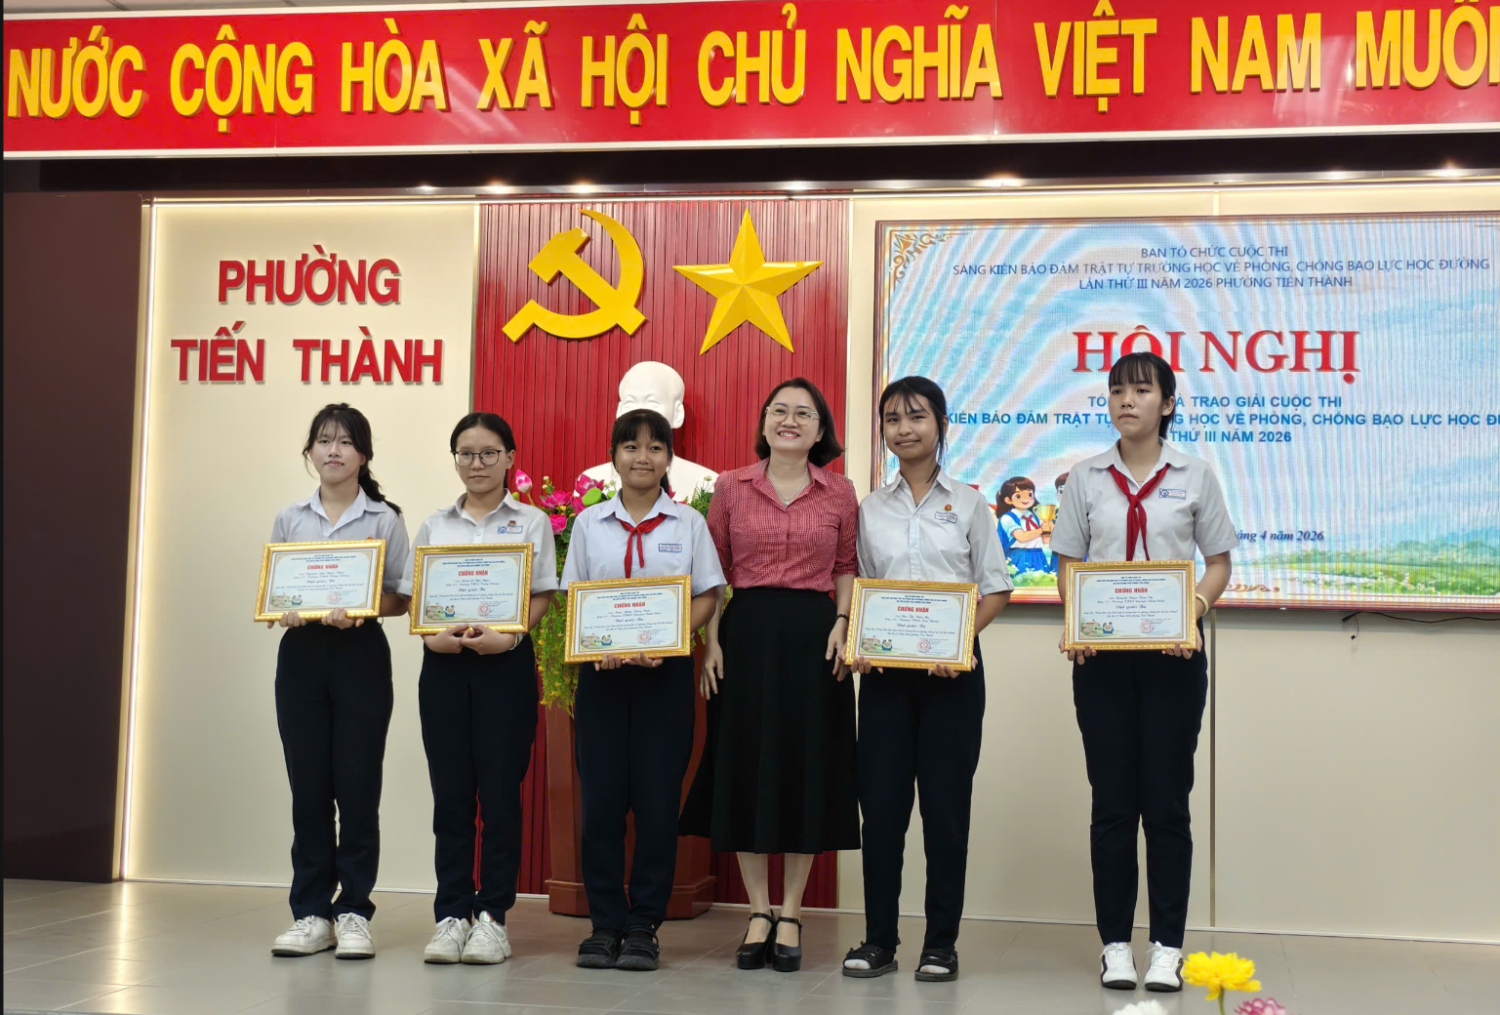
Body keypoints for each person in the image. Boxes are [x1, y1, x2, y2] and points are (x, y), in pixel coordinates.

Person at [1049, 352, 1237, 993]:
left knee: (1166, 804)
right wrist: (1077, 621)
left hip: (1173, 661)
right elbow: (1069, 561)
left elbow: (1218, 561)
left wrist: (1194, 611)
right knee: (1111, 804)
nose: (1126, 400)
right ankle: (1114, 945)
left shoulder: (1196, 475)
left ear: (1168, 403)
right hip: (1102, 661)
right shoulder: (1085, 478)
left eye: (1141, 390)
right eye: (1116, 391)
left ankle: (1166, 946)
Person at [680, 377, 860, 974]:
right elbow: (712, 572)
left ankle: (792, 910)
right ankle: (758, 910)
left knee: (807, 764)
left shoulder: (840, 491)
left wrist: (843, 624)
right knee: (747, 764)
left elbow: (846, 565)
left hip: (815, 638)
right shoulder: (730, 486)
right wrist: (709, 643)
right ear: (763, 423)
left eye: (804, 413)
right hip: (746, 636)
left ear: (820, 429)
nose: (790, 420)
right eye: (779, 411)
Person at [841, 376, 1013, 983]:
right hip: (885, 680)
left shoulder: (969, 504)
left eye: (917, 416)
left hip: (953, 678)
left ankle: (941, 943)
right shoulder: (869, 509)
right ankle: (879, 940)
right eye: (892, 419)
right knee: (882, 813)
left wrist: (959, 641)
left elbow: (995, 589)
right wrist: (861, 642)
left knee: (945, 814)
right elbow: (862, 589)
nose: (904, 428)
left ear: (942, 424)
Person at [562, 409, 726, 972]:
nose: (642, 457)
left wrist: (673, 635)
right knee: (602, 805)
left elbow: (709, 593)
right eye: (631, 446)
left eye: (655, 447)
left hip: (665, 678)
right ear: (614, 456)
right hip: (602, 678)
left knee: (657, 804)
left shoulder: (688, 524)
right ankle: (605, 924)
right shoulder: (589, 523)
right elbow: (576, 594)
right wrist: (596, 643)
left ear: (668, 458)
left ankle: (643, 926)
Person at [402, 412, 557, 966]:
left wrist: (509, 637)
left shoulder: (532, 522)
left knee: (499, 797)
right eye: (466, 454)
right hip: (444, 668)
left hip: (504, 665)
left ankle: (492, 917)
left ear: (510, 458)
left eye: (489, 453)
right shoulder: (434, 525)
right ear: (456, 460)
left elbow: (542, 593)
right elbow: (416, 599)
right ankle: (450, 915)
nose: (477, 464)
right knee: (450, 797)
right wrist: (432, 638)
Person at [267, 403, 410, 960]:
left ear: (363, 455)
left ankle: (353, 912)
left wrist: (362, 608)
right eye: (324, 440)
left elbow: (401, 599)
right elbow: (278, 589)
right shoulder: (290, 518)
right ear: (310, 452)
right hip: (301, 656)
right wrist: (284, 608)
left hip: (360, 654)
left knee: (357, 788)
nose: (333, 450)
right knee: (308, 789)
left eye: (345, 442)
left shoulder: (385, 519)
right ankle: (310, 913)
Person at [580, 361, 718, 500]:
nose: (640, 412)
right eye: (630, 402)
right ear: (619, 411)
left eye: (653, 402)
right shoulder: (590, 482)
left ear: (677, 414)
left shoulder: (707, 484)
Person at [996, 476, 1051, 575]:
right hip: (1019, 556)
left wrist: (1049, 530)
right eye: (1018, 496)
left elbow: (1046, 541)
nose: (1026, 499)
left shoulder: (1035, 516)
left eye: (1029, 494)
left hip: (1039, 556)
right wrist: (1041, 530)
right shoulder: (1008, 518)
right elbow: (1022, 537)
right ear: (1008, 500)